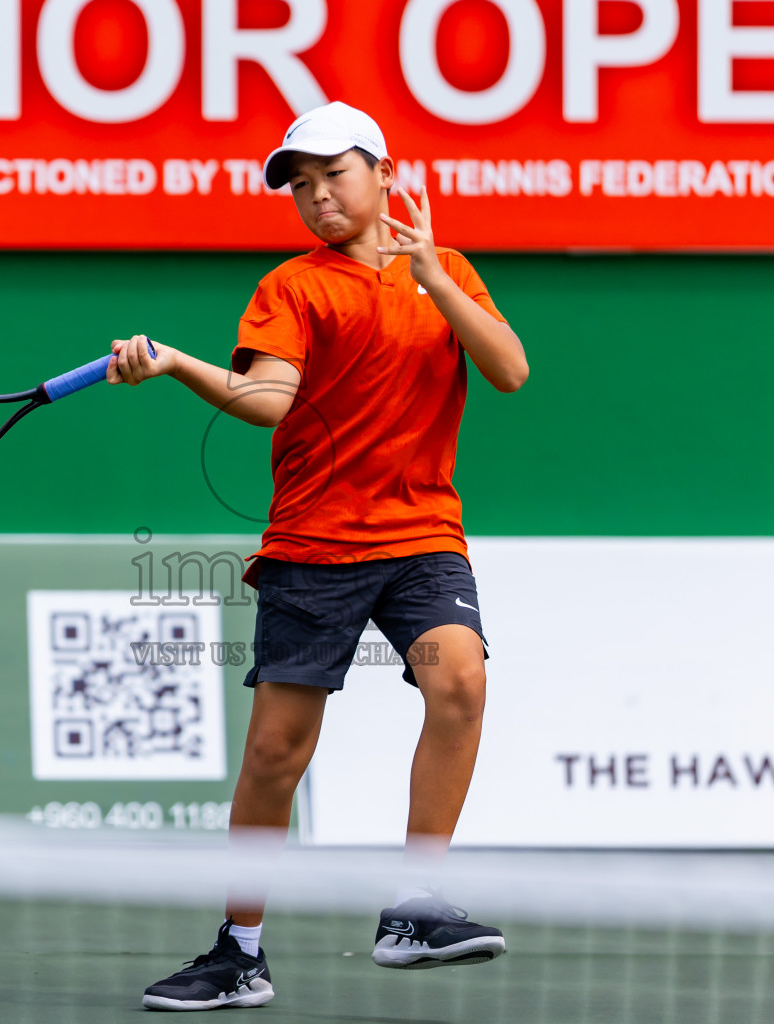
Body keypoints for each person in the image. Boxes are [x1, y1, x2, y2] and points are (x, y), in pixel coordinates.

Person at [106, 101, 529, 1012]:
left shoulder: (447, 271)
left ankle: (415, 907)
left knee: (461, 680)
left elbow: (509, 369)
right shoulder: (291, 287)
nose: (316, 196)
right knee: (276, 754)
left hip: (422, 535)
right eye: (299, 185)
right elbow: (268, 399)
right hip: (316, 544)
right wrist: (178, 362)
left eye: (332, 174)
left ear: (382, 171)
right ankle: (238, 951)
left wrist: (435, 279)